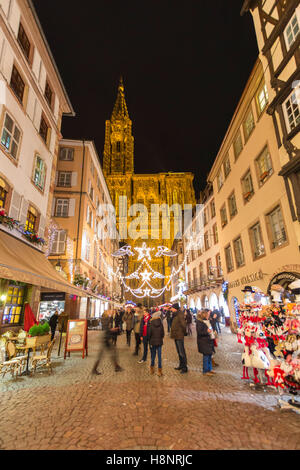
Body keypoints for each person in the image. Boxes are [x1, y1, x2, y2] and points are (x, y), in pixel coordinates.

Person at [92, 310, 123, 375]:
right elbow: (106, 329)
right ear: (106, 313)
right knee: (102, 355)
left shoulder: (104, 319)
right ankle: (94, 369)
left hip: (106, 338)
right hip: (105, 338)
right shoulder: (106, 319)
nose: (110, 312)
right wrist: (113, 329)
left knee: (113, 352)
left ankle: (116, 366)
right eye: (108, 312)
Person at [196, 310, 216, 376]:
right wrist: (207, 331)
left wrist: (213, 319)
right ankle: (205, 370)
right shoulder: (200, 322)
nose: (208, 316)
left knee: (209, 355)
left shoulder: (208, 321)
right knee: (206, 356)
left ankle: (210, 369)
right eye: (207, 315)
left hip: (209, 340)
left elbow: (212, 326)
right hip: (204, 341)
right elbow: (199, 332)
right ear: (204, 315)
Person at [170, 303, 188, 374]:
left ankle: (185, 367)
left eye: (172, 308)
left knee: (181, 352)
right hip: (176, 335)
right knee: (179, 351)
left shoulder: (180, 314)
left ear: (175, 308)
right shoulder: (175, 314)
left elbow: (183, 324)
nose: (171, 309)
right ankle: (181, 365)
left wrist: (184, 332)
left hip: (179, 335)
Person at [149, 310, 165, 376]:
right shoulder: (160, 323)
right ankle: (159, 371)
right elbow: (162, 333)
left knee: (153, 356)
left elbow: (149, 333)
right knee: (159, 356)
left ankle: (152, 369)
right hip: (159, 342)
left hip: (153, 342)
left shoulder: (151, 323)